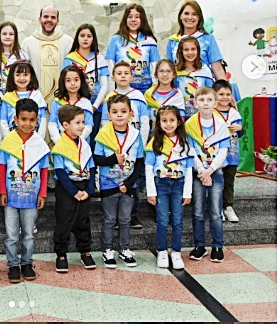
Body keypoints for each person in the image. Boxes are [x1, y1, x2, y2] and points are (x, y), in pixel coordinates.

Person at [0, 99, 50, 283]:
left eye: (32, 120)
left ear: (37, 120)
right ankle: (13, 264)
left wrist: (42, 193)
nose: (27, 124)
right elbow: (2, 168)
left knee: (28, 234)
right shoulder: (8, 142)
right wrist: (2, 191)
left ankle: (27, 263)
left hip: (31, 197)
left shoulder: (39, 144)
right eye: (23, 119)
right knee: (11, 235)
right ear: (15, 119)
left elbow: (44, 171)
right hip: (11, 197)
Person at [94, 94, 144, 269]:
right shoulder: (102, 135)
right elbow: (96, 159)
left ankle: (125, 249)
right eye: (115, 112)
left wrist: (129, 183)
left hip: (128, 185)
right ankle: (107, 250)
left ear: (131, 113)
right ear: (109, 115)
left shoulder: (136, 135)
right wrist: (113, 159)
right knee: (109, 219)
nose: (119, 115)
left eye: (123, 111)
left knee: (125, 219)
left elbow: (139, 162)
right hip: (109, 185)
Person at [145, 105, 194, 270]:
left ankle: (176, 251)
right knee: (162, 220)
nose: (168, 124)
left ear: (178, 122)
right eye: (164, 120)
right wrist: (151, 192)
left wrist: (188, 193)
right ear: (159, 123)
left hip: (179, 185)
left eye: (172, 120)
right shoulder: (155, 143)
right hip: (161, 185)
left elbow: (188, 169)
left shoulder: (184, 143)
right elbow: (148, 168)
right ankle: (162, 251)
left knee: (178, 221)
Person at [185, 86, 231, 263]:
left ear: (215, 103)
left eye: (209, 100)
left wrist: (210, 170)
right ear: (195, 103)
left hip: (215, 172)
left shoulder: (221, 125)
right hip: (198, 172)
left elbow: (223, 151)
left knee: (216, 211)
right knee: (197, 211)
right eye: (202, 100)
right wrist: (202, 171)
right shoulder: (190, 124)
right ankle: (200, 245)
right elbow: (190, 150)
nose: (205, 103)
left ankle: (217, 245)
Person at [52, 105, 96, 273]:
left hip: (84, 187)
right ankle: (61, 254)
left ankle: (85, 250)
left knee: (83, 221)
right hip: (67, 189)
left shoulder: (84, 145)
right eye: (77, 122)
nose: (82, 126)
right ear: (65, 125)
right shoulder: (60, 146)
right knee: (64, 221)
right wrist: (74, 192)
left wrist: (89, 189)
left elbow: (91, 167)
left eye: (83, 122)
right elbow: (60, 172)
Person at [63, 24, 109, 150]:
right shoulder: (70, 59)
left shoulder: (99, 59)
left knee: (92, 140)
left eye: (89, 36)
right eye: (82, 35)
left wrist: (95, 106)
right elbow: (65, 82)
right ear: (77, 38)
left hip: (95, 108)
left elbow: (104, 85)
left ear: (93, 39)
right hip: (75, 107)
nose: (85, 39)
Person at [21, 6, 74, 107]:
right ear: (39, 19)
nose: (49, 20)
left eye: (53, 17)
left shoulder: (68, 42)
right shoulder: (28, 43)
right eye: (45, 16)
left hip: (63, 98)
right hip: (34, 97)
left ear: (58, 21)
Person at [105, 4, 159, 93]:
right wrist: (111, 91)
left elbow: (154, 67)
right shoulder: (115, 40)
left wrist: (154, 91)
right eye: (130, 17)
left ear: (142, 19)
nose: (133, 20)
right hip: (121, 90)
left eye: (137, 17)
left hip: (145, 90)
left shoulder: (150, 41)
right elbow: (110, 65)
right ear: (125, 19)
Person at [166, 1, 226, 81]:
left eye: (194, 14)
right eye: (186, 13)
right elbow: (169, 68)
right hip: (179, 85)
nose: (190, 17)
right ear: (180, 16)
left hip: (204, 86)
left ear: (199, 17)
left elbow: (217, 69)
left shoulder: (208, 38)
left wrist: (224, 87)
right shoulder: (173, 41)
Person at [213, 80, 243, 223]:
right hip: (216, 155)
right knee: (217, 182)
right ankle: (217, 207)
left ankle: (228, 206)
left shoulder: (234, 113)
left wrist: (240, 129)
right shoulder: (211, 112)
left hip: (232, 154)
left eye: (228, 94)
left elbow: (241, 133)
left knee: (229, 181)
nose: (225, 97)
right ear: (214, 95)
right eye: (221, 94)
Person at [0, 60, 47, 140]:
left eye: (25, 75)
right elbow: (3, 121)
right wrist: (9, 140)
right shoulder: (7, 97)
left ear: (31, 76)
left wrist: (38, 139)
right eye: (18, 75)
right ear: (12, 76)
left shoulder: (37, 95)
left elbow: (43, 120)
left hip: (34, 138)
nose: (22, 78)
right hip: (13, 139)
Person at [48, 65, 93, 145]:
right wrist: (59, 142)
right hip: (62, 143)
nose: (72, 83)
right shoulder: (57, 102)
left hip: (81, 144)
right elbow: (52, 124)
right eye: (68, 80)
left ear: (81, 81)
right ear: (63, 82)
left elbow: (88, 126)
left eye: (76, 80)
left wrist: (78, 141)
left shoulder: (86, 103)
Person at [174, 37, 213, 120]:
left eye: (193, 49)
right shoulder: (175, 72)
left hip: (202, 118)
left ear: (198, 50)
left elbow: (211, 95)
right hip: (181, 118)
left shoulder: (205, 71)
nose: (190, 52)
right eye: (186, 49)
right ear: (181, 51)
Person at [0, 22, 29, 96]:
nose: (7, 37)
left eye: (11, 34)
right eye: (4, 34)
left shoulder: (22, 55)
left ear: (15, 36)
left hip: (18, 93)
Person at [144, 59, 185, 132]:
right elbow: (145, 117)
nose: (165, 74)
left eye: (168, 71)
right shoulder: (149, 94)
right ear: (156, 75)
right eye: (161, 71)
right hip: (152, 134)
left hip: (172, 133)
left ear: (174, 75)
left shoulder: (177, 94)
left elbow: (181, 117)